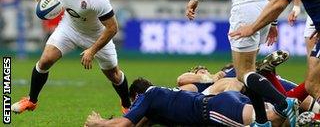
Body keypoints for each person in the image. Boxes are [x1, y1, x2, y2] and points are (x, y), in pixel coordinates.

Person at [185, 0, 298, 126]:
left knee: (243, 73)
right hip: (264, 9)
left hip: (245, 10)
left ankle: (284, 103)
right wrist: (273, 20)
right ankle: (262, 121)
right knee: (250, 71)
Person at [11, 0, 131, 114]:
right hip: (70, 27)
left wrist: (92, 50)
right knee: (45, 60)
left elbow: (112, 28)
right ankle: (31, 101)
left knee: (114, 75)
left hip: (96, 35)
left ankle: (127, 106)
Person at [229, 0, 320, 116]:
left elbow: (278, 2)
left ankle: (285, 105)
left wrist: (252, 27)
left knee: (314, 85)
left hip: (247, 8)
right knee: (312, 83)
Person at [84, 78, 289, 127]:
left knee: (274, 119)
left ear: (136, 97)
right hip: (222, 100)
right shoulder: (159, 100)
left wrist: (99, 122)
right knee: (277, 120)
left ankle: (282, 98)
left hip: (216, 109)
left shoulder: (149, 96)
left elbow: (126, 124)